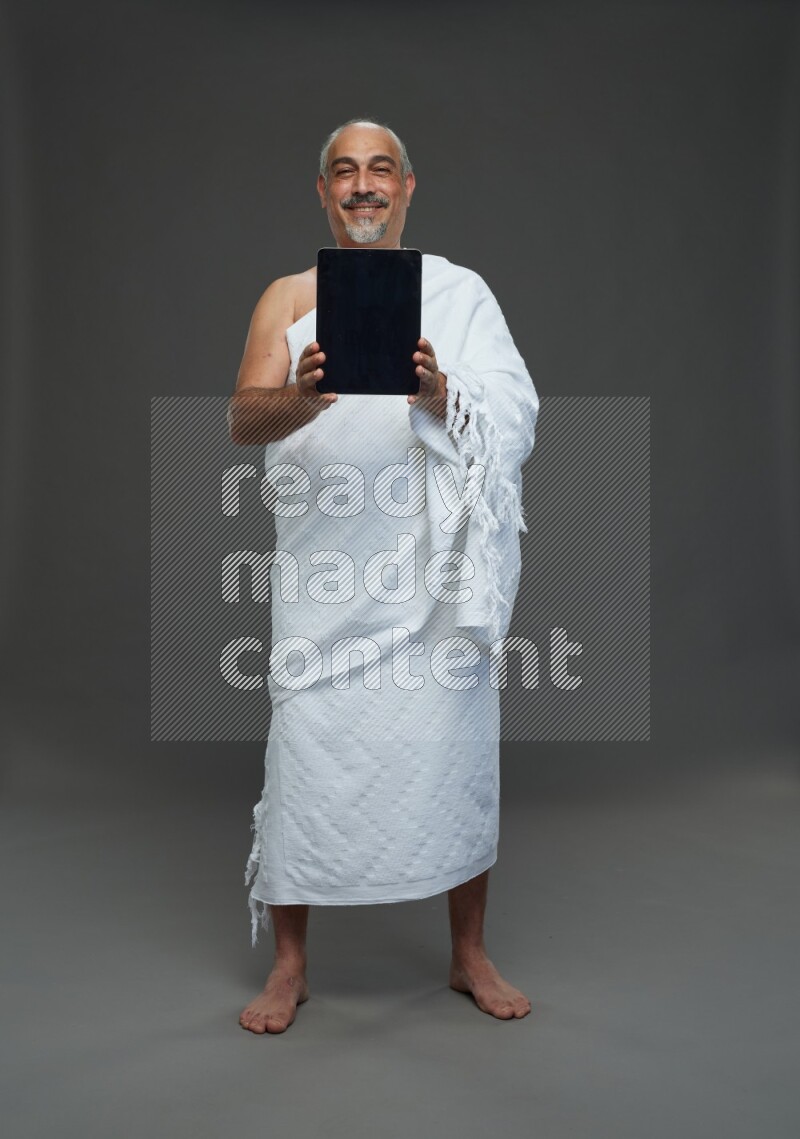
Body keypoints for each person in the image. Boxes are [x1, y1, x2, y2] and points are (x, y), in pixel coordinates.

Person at [228, 118, 539, 1033]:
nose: (363, 186)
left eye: (380, 170)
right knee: (306, 752)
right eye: (343, 172)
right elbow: (245, 421)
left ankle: (467, 953)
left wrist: (444, 394)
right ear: (322, 193)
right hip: (326, 576)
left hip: (433, 579)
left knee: (453, 749)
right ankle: (290, 966)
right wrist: (304, 393)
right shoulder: (287, 298)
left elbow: (516, 409)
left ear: (408, 186)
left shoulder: (460, 294)